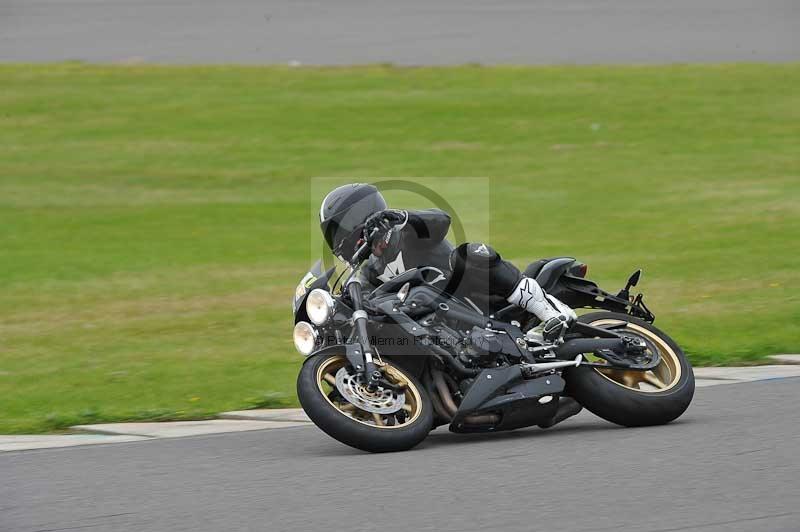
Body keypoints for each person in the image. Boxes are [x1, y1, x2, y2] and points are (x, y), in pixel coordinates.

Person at [319, 183, 576, 342]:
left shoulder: (406, 231)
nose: (341, 240)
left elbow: (441, 220)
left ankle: (550, 312)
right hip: (443, 330)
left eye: (340, 231)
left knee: (469, 253)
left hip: (479, 301)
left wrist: (401, 217)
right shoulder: (370, 272)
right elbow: (365, 306)